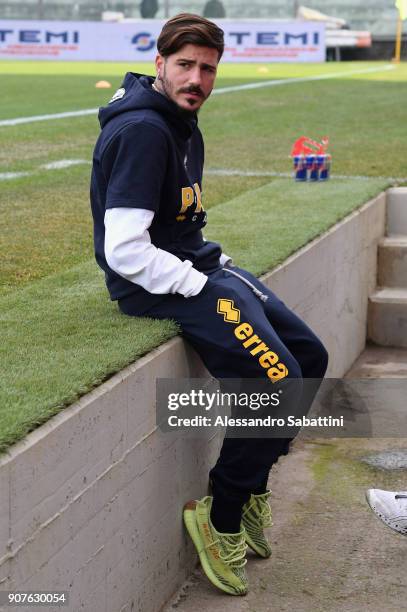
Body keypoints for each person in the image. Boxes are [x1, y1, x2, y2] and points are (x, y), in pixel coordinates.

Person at [90, 13, 328, 596]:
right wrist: (201, 287)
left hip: (197, 265)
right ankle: (220, 515)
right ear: (159, 64)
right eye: (186, 66)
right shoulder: (145, 129)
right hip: (159, 284)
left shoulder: (181, 118)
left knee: (309, 356)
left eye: (208, 69)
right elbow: (123, 250)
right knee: (274, 383)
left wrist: (210, 269)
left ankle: (250, 490)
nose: (197, 79)